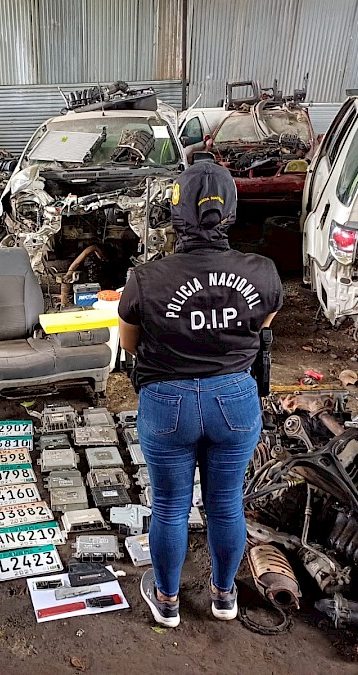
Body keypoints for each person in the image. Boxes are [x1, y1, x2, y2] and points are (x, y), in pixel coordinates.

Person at [118, 161, 282, 626]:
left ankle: (168, 602)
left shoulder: (147, 279)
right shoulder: (264, 273)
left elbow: (129, 344)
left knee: (169, 506)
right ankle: (224, 597)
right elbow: (261, 330)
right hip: (234, 401)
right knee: (225, 503)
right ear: (229, 209)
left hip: (167, 404)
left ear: (176, 214)